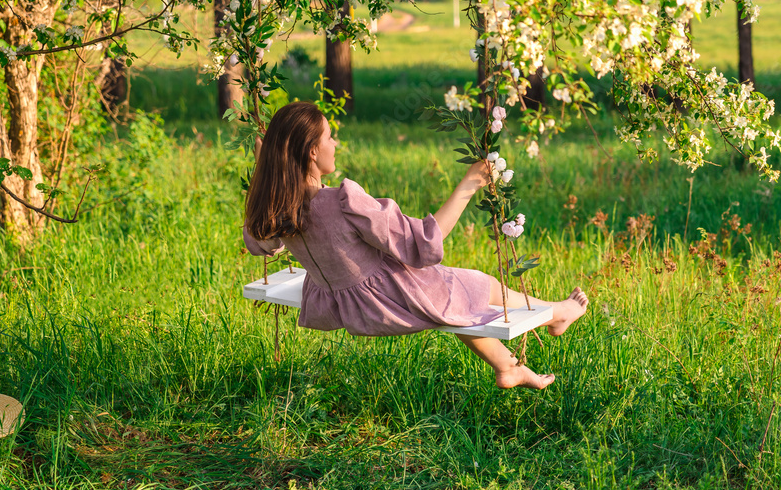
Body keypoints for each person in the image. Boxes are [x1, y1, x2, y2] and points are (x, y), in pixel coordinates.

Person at [243, 102, 588, 390]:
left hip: (343, 308)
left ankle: (508, 366)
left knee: (457, 295)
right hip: (394, 300)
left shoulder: (277, 209)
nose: (336, 143)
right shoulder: (343, 201)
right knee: (478, 286)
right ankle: (558, 312)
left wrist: (265, 168)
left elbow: (261, 244)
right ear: (313, 151)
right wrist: (468, 185)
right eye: (330, 137)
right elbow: (423, 242)